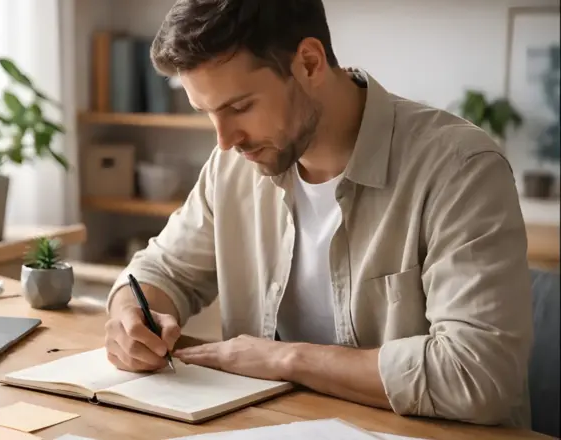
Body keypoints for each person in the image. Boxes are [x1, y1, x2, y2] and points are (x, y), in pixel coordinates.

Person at [104, 0, 534, 429]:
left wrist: (287, 359)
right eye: (207, 113)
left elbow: (479, 376)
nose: (224, 140)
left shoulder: (460, 167)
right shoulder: (234, 165)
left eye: (239, 107)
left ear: (309, 63)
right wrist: (130, 313)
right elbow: (162, 271)